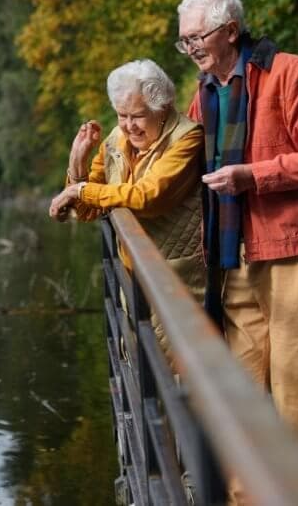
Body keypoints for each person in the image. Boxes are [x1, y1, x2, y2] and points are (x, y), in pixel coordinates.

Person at [178, 0, 298, 470]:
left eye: (197, 38)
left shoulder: (291, 72)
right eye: (184, 42)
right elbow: (178, 163)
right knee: (242, 395)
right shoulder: (205, 92)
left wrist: (253, 176)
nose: (191, 49)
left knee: (294, 392)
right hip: (235, 257)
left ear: (230, 31)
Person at [49, 59, 207, 334]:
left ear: (163, 109)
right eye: (122, 115)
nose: (128, 126)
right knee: (140, 364)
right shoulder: (115, 140)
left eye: (137, 116)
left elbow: (147, 197)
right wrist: (77, 163)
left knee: (174, 372)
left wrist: (79, 190)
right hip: (134, 282)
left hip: (177, 284)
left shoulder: (187, 138)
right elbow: (85, 211)